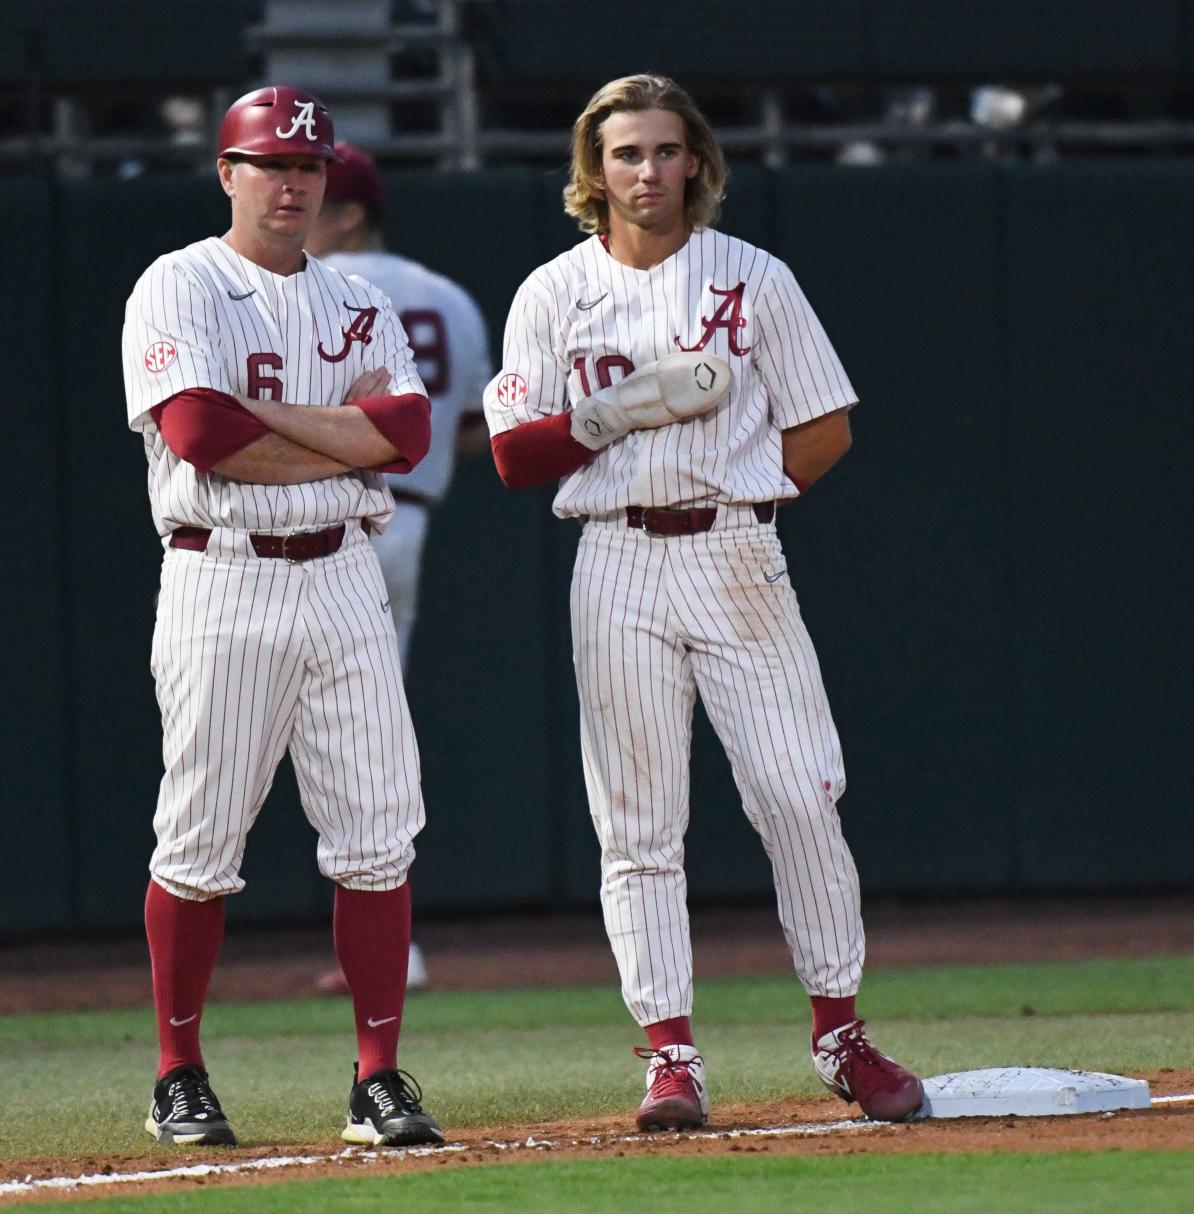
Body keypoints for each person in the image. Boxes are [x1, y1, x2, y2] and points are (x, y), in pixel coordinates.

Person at [482, 74, 925, 1131]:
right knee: (637, 823)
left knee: (797, 791)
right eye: (625, 152)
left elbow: (826, 425)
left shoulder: (754, 277)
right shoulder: (553, 290)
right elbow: (509, 454)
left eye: (665, 150)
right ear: (594, 169)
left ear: (697, 163)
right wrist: (609, 415)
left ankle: (841, 1034)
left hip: (733, 547)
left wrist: (748, 488)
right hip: (616, 553)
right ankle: (670, 1054)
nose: (646, 170)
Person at [121, 85, 444, 1149]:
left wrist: (283, 422)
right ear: (228, 174)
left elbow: (404, 431)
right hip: (224, 575)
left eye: (309, 168)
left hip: (343, 572)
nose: (293, 184)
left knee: (377, 835)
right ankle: (178, 1068)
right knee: (202, 835)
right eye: (270, 165)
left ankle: (380, 1074)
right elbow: (200, 431)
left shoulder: (355, 297)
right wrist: (336, 435)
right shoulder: (181, 282)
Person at [303, 143, 493, 996]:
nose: (292, 205)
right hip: (405, 523)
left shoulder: (310, 291)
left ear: (347, 212)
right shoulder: (447, 296)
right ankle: (386, 944)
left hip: (332, 517)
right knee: (360, 733)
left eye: (310, 194)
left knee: (345, 739)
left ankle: (390, 949)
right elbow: (474, 430)